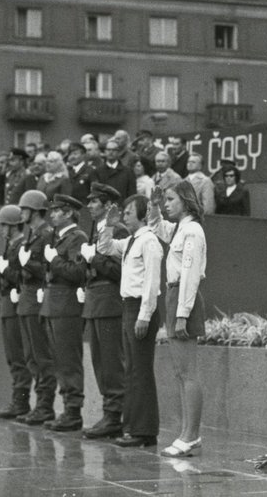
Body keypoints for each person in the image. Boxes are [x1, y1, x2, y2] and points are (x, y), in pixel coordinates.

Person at [147, 180, 207, 458]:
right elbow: (156, 226)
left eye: (171, 199)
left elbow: (191, 274)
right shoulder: (181, 228)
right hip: (174, 296)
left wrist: (183, 313)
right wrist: (154, 204)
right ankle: (186, 433)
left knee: (188, 372)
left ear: (185, 200)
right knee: (180, 373)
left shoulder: (192, 230)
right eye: (165, 200)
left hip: (184, 298)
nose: (167, 204)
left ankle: (191, 435)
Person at [107, 194, 163, 447]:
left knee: (140, 370)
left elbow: (152, 282)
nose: (125, 215)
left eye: (129, 212)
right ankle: (133, 427)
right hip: (128, 306)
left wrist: (144, 315)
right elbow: (104, 248)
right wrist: (109, 225)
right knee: (131, 369)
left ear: (142, 215)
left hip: (141, 308)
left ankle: (144, 430)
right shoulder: (131, 241)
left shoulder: (149, 241)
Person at [80, 183, 127, 439]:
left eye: (94, 202)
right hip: (96, 302)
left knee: (111, 362)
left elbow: (119, 271)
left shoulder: (116, 230)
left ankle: (114, 415)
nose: (89, 206)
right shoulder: (95, 230)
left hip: (109, 301)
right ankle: (109, 414)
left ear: (108, 205)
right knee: (100, 362)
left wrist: (93, 258)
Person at [40, 193, 89, 432]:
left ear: (69, 213)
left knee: (68, 359)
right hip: (54, 303)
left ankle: (73, 411)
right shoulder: (59, 237)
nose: (52, 214)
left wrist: (55, 260)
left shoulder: (76, 237)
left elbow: (77, 272)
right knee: (59, 359)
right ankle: (68, 408)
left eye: (57, 210)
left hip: (67, 304)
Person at [15, 190, 57, 426]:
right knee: (31, 356)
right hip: (27, 300)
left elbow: (46, 271)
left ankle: (45, 405)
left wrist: (28, 263)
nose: (22, 213)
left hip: (37, 300)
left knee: (42, 356)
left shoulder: (46, 235)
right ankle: (39, 404)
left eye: (24, 209)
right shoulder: (32, 235)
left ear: (34, 211)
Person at [0, 204, 32, 421]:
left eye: (4, 225)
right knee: (12, 356)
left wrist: (5, 270)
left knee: (18, 356)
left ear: (13, 226)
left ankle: (21, 401)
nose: (1, 229)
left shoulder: (21, 246)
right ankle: (19, 399)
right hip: (8, 304)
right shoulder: (11, 246)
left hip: (16, 305)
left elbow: (19, 277)